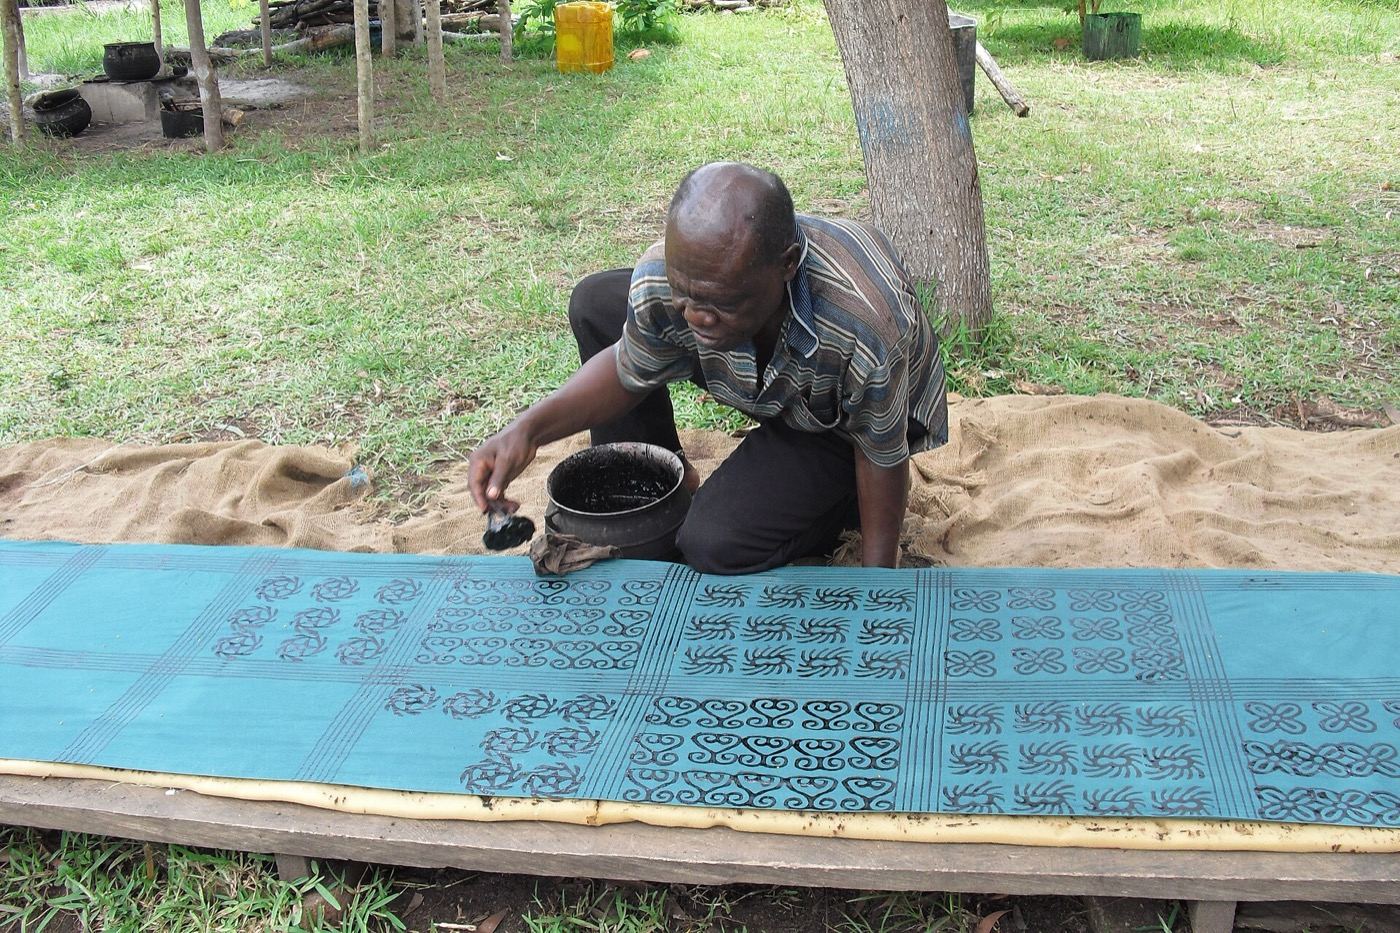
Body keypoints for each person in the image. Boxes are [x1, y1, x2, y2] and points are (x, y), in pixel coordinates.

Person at [468, 161, 947, 574]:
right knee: (599, 302)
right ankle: (658, 496)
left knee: (713, 542)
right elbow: (627, 367)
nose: (697, 314)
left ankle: (831, 502)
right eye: (686, 291)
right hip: (769, 360)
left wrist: (879, 587)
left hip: (842, 424)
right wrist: (528, 431)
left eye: (722, 299)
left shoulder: (864, 326)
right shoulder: (676, 283)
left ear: (788, 264)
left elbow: (882, 455)